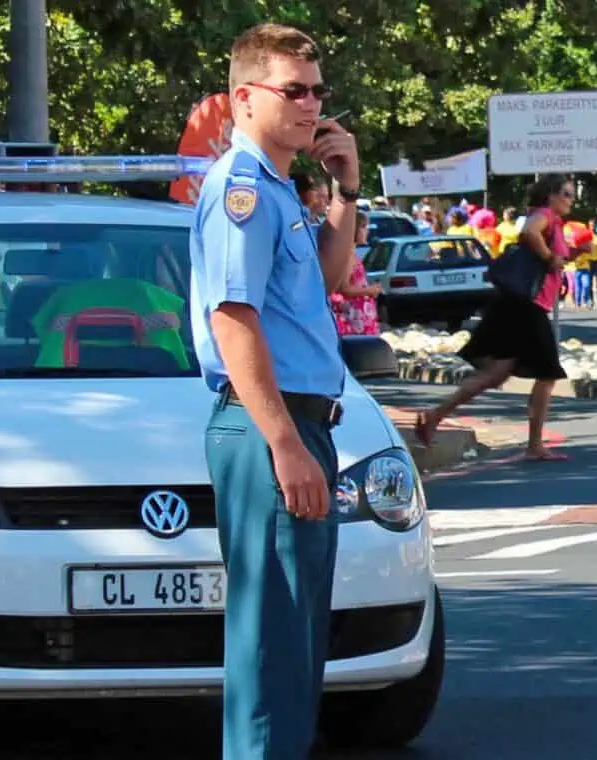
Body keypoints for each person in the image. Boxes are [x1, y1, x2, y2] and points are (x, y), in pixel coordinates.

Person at [189, 22, 359, 759]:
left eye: (317, 92)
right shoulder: (242, 189)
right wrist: (285, 443)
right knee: (272, 646)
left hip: (295, 424)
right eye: (294, 91)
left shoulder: (279, 188)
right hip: (270, 426)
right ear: (244, 98)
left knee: (295, 645)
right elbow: (234, 319)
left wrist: (345, 192)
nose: (311, 105)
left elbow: (325, 279)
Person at [415, 175, 576, 462]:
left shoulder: (554, 221)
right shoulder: (545, 215)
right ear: (551, 195)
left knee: (496, 373)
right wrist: (550, 257)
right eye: (566, 194)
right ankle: (534, 445)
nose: (571, 200)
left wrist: (565, 256)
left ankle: (435, 415)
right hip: (526, 305)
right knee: (547, 373)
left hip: (516, 303)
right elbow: (529, 231)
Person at [329, 210, 381, 335]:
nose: (367, 231)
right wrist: (369, 290)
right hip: (355, 319)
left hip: (360, 317)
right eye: (363, 226)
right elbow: (344, 288)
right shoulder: (348, 255)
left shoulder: (351, 253)